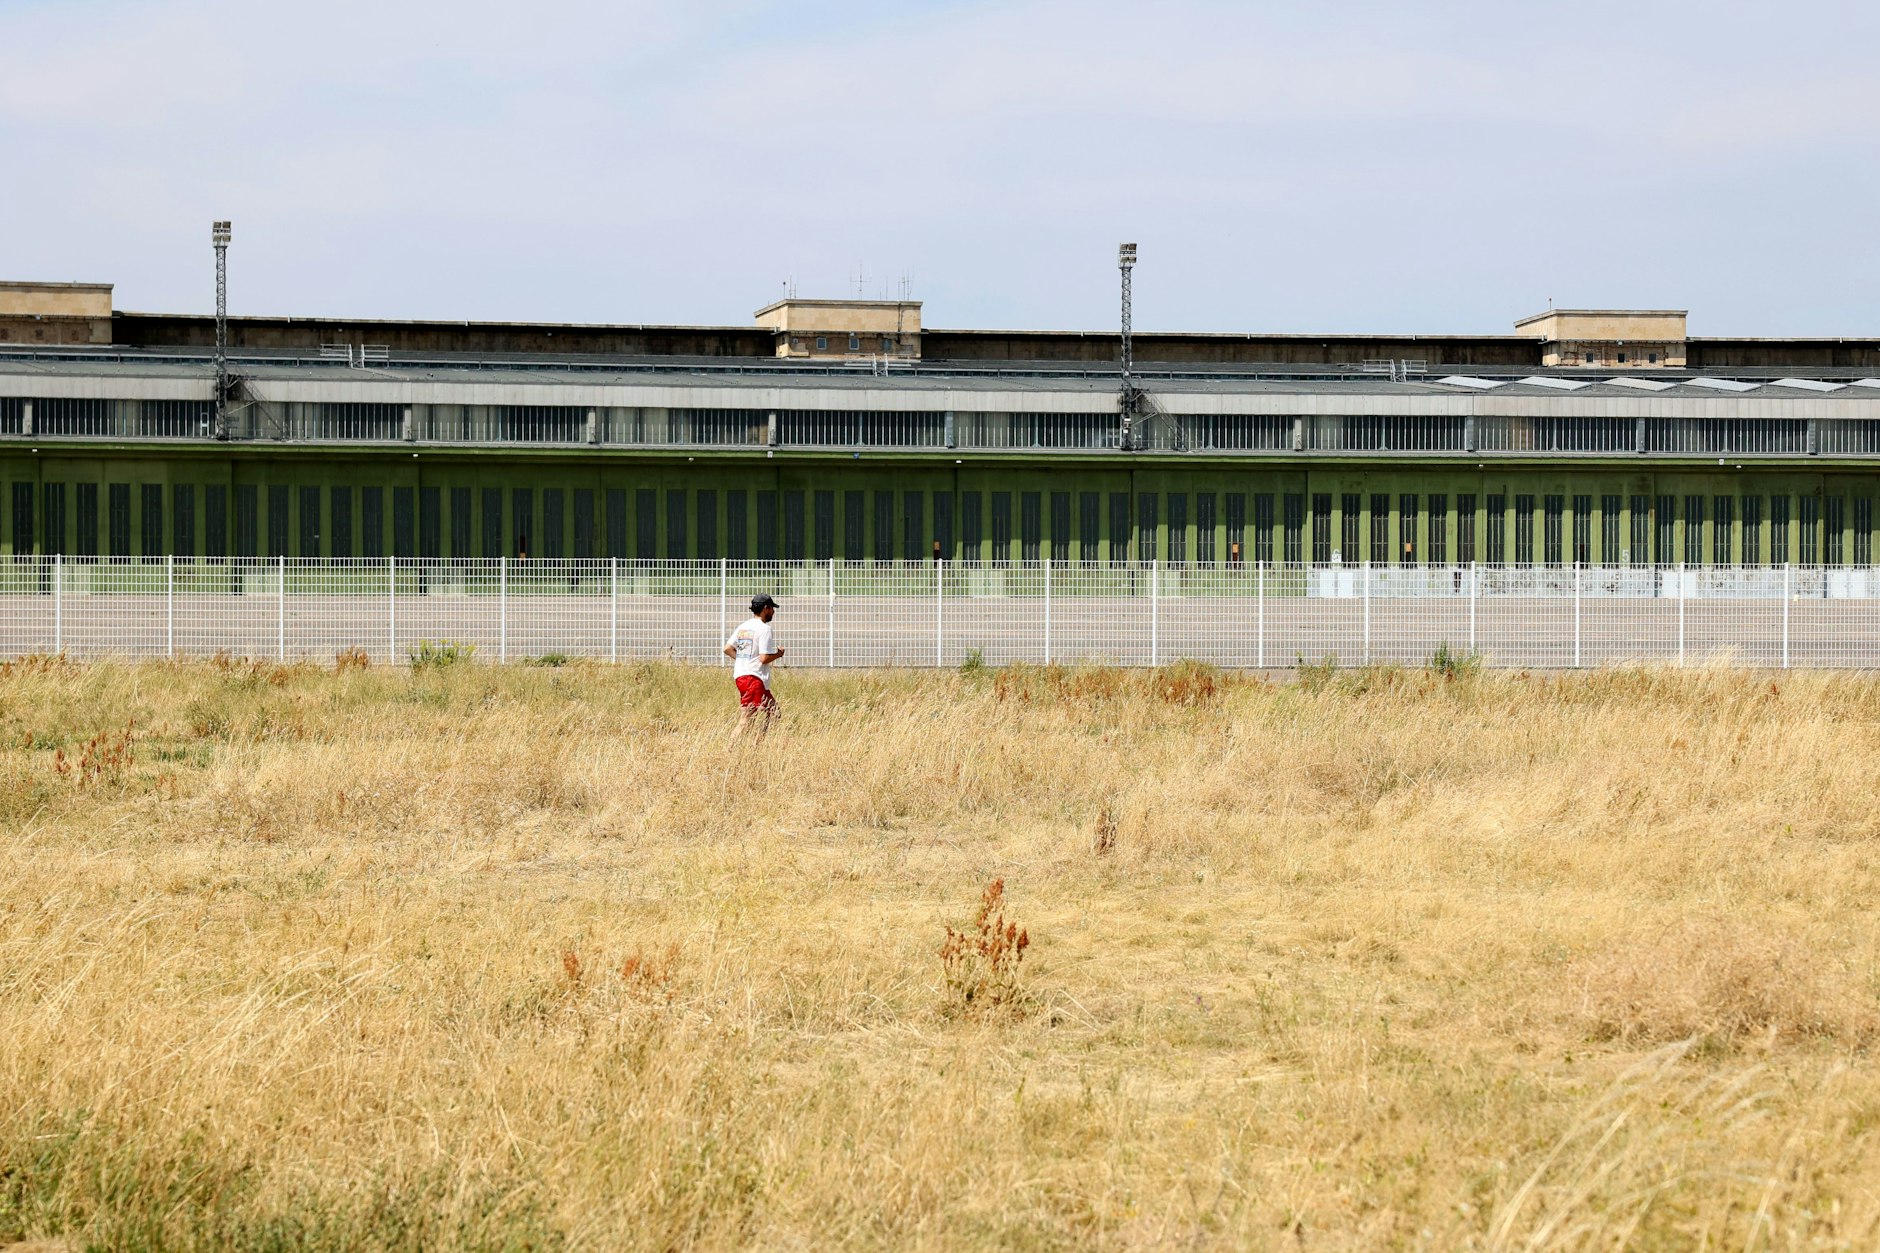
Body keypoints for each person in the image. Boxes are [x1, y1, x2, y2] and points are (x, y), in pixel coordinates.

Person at [724, 592, 784, 736]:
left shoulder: (743, 627)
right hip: (754, 679)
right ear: (765, 608)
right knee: (746, 719)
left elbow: (727, 648)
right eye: (771, 608)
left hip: (742, 676)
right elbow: (763, 658)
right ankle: (730, 749)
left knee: (774, 712)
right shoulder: (764, 629)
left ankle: (758, 743)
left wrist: (743, 661)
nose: (773, 612)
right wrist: (778, 654)